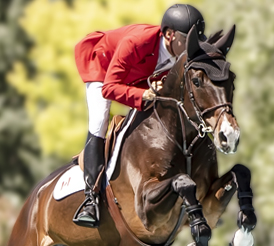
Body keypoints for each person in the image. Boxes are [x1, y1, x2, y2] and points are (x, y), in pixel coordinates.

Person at [72, 4, 206, 227]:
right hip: (103, 69)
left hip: (137, 76)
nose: (192, 47)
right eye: (188, 40)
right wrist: (143, 94)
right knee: (100, 121)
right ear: (170, 35)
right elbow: (109, 88)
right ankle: (91, 199)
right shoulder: (138, 42)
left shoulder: (178, 52)